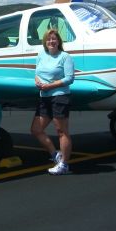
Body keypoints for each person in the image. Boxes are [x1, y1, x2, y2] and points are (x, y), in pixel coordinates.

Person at [31, 29, 74, 175]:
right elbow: (37, 73)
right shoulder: (41, 55)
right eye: (48, 39)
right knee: (36, 129)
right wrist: (38, 82)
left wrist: (50, 86)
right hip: (44, 97)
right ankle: (55, 155)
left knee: (61, 131)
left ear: (58, 41)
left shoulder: (65, 57)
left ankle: (64, 165)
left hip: (59, 96)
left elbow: (69, 78)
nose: (51, 42)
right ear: (45, 42)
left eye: (54, 39)